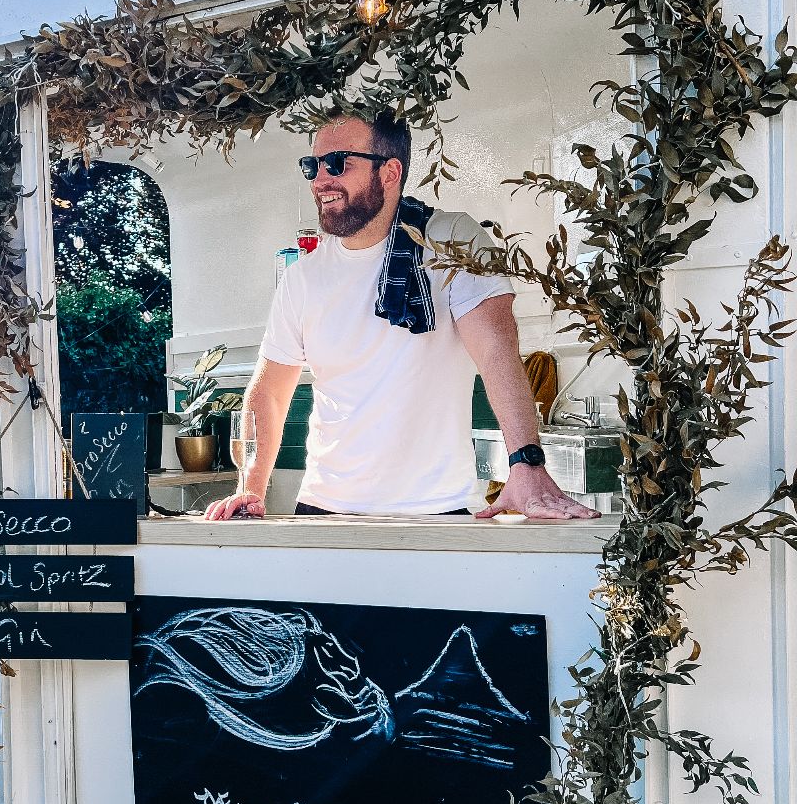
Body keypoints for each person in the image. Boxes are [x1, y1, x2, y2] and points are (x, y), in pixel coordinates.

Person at [205, 111, 598, 522]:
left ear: (390, 172)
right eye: (312, 166)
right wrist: (250, 487)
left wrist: (527, 463)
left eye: (337, 164)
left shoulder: (451, 240)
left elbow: (496, 351)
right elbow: (269, 391)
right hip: (323, 509)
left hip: (436, 511)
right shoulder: (303, 278)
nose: (319, 180)